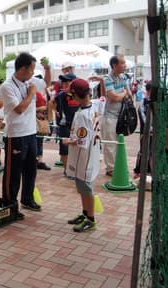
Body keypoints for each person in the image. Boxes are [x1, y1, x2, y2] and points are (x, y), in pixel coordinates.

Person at [0, 52, 51, 218]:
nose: (33, 73)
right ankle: (10, 205)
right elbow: (19, 109)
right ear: (22, 68)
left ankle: (27, 199)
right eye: (31, 69)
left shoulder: (30, 81)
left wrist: (48, 68)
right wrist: (31, 94)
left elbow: (47, 82)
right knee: (13, 173)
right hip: (15, 135)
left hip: (31, 133)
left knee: (31, 170)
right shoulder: (7, 86)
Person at [62, 78, 101, 232]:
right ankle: (85, 213)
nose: (72, 98)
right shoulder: (94, 105)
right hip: (91, 154)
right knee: (82, 186)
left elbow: (81, 141)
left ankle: (90, 219)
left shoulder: (82, 115)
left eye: (72, 95)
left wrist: (67, 141)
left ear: (78, 95)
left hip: (84, 157)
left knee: (86, 187)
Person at [101, 55, 131, 177]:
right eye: (122, 63)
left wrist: (123, 94)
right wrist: (124, 93)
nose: (125, 66)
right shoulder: (107, 78)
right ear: (114, 65)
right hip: (110, 116)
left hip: (121, 116)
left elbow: (129, 94)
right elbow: (113, 97)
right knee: (110, 143)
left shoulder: (123, 77)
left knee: (120, 143)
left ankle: (118, 166)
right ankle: (110, 168)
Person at [53, 73, 79, 175]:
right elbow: (52, 103)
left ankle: (76, 169)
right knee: (64, 147)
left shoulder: (79, 94)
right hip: (65, 125)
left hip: (77, 125)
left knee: (77, 146)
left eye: (67, 81)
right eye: (63, 81)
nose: (65, 83)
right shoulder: (60, 95)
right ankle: (67, 170)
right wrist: (56, 111)